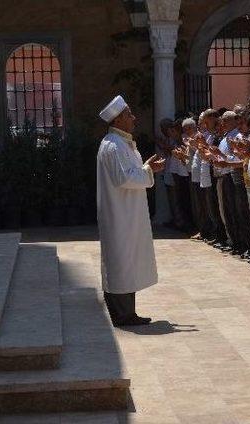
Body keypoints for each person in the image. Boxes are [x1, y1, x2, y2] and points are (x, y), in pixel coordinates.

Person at [96, 95, 166, 327]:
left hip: (127, 213)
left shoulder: (122, 143)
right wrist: (149, 171)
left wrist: (146, 168)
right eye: (128, 114)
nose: (133, 118)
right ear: (116, 121)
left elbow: (130, 172)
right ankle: (122, 313)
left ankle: (127, 312)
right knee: (122, 260)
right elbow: (123, 178)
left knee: (128, 259)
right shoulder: (113, 145)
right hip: (120, 216)